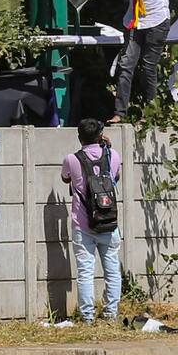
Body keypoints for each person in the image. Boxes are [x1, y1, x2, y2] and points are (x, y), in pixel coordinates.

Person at [76, 0, 170, 122]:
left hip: (156, 19)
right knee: (126, 65)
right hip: (135, 20)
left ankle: (150, 112)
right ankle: (120, 113)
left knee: (148, 67)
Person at [61, 118, 123, 323]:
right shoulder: (113, 155)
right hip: (109, 222)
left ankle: (88, 317)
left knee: (85, 272)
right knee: (112, 270)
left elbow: (65, 178)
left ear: (79, 137)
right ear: (100, 136)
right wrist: (107, 146)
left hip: (83, 224)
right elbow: (115, 176)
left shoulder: (72, 158)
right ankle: (111, 314)